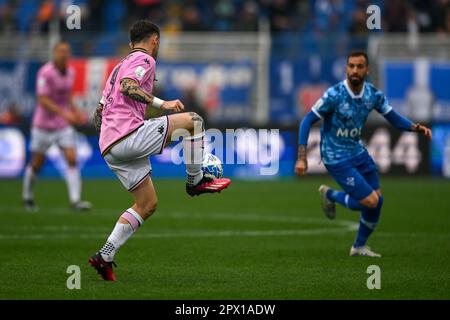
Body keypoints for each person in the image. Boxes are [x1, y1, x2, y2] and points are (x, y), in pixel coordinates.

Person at [89, 20, 231, 281]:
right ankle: (195, 179)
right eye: (158, 42)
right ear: (154, 40)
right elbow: (128, 87)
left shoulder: (117, 67)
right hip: (127, 136)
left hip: (109, 146)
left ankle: (104, 256)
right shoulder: (144, 60)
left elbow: (98, 114)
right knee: (194, 121)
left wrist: (113, 136)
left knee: (147, 204)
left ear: (131, 41)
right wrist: (161, 103)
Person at [295, 51, 432, 257]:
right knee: (370, 201)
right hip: (336, 156)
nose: (355, 71)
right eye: (351, 66)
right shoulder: (334, 95)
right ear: (346, 69)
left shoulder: (373, 95)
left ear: (367, 70)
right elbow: (307, 121)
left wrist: (415, 127)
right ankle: (331, 195)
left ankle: (358, 247)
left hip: (358, 152)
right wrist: (302, 157)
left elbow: (393, 118)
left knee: (378, 200)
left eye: (359, 66)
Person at [22, 41, 91, 212]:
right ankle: (27, 197)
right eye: (60, 51)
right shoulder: (45, 72)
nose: (64, 54)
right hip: (43, 125)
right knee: (37, 163)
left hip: (62, 126)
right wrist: (65, 114)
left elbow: (68, 97)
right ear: (54, 53)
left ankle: (75, 200)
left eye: (67, 51)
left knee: (72, 159)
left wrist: (75, 111)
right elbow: (42, 100)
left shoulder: (70, 72)